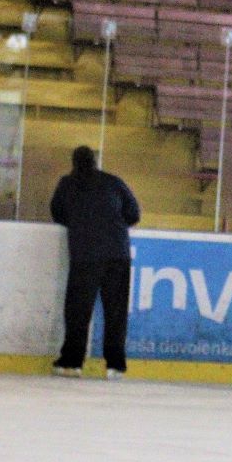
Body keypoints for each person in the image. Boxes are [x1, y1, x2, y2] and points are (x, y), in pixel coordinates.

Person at [49, 146, 140, 380]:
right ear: (95, 161)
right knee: (116, 312)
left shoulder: (67, 184)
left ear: (74, 163)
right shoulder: (113, 182)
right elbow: (133, 213)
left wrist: (80, 223)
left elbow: (57, 213)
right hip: (117, 253)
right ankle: (115, 366)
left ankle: (72, 362)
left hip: (86, 254)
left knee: (78, 311)